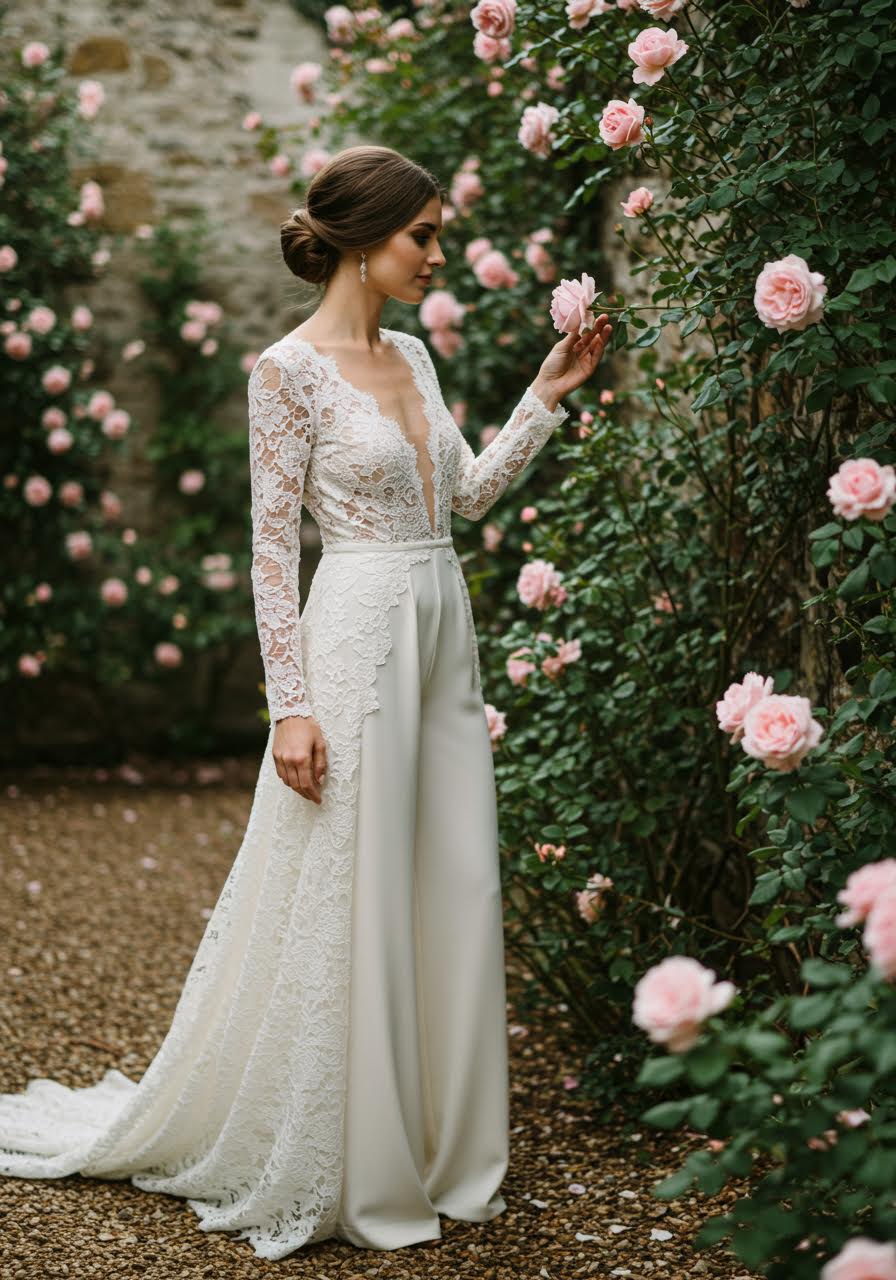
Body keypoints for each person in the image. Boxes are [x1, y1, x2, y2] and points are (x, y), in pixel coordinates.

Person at [0, 144, 611, 1260]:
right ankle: (357, 1152)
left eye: (435, 232)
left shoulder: (417, 357)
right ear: (362, 237)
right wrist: (291, 704)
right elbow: (271, 551)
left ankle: (443, 1148)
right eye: (420, 234)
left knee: (451, 878)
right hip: (357, 636)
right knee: (358, 889)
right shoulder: (284, 371)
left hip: (441, 632)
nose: (436, 253)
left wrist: (541, 396)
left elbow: (463, 498)